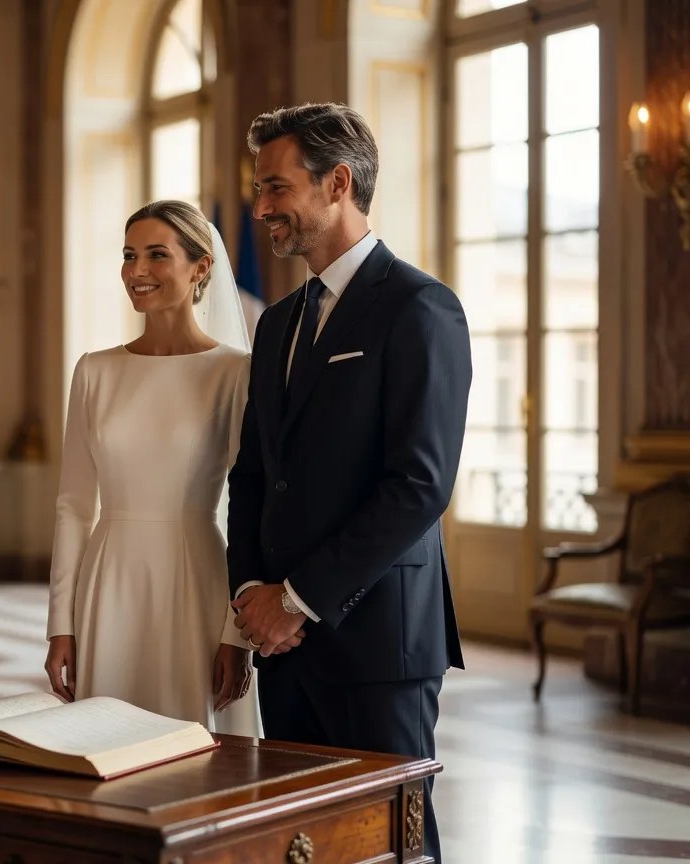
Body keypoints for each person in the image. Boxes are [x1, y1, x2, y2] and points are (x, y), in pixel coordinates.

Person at [226, 103, 471, 862]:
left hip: (377, 644)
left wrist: (297, 599)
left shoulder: (420, 309)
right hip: (281, 645)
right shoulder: (276, 323)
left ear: (338, 183)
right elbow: (255, 475)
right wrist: (251, 597)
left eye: (276, 186)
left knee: (394, 845)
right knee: (304, 844)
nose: (260, 206)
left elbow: (419, 486)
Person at [44, 199, 293, 737]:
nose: (137, 272)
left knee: (198, 752)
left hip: (195, 580)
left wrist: (236, 633)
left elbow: (250, 506)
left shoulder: (233, 372)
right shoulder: (94, 370)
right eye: (130, 255)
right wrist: (59, 626)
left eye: (158, 255)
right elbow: (72, 507)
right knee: (104, 746)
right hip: (109, 583)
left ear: (201, 267)